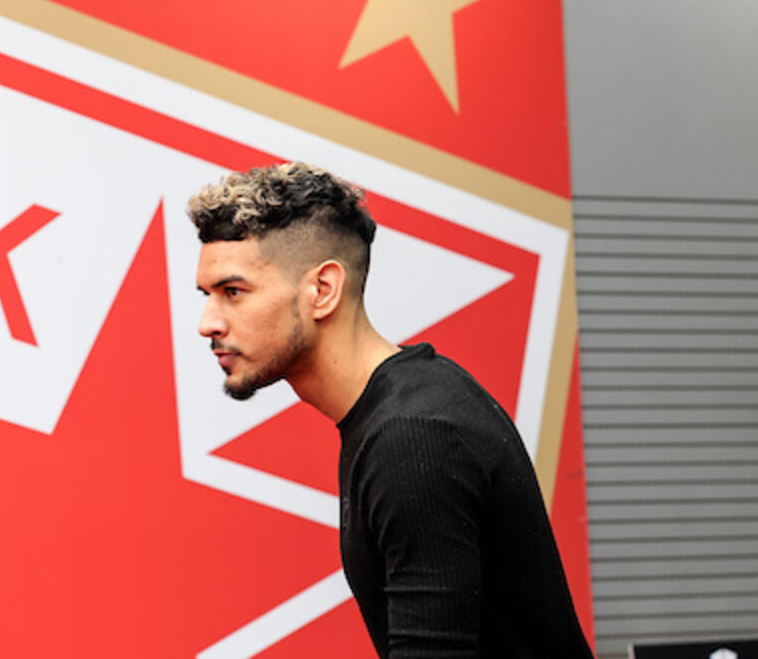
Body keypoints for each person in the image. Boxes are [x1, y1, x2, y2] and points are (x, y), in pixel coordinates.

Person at [188, 161, 595, 658]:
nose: (208, 323)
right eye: (207, 296)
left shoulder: (414, 436)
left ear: (322, 290)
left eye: (233, 292)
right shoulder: (401, 412)